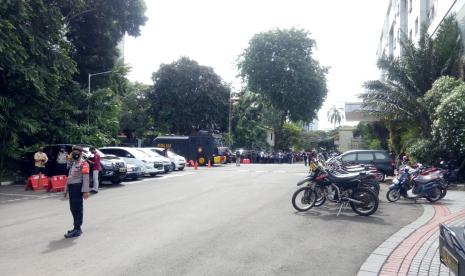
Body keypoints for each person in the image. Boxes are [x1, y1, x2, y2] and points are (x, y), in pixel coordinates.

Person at [64, 146, 90, 238]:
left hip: (77, 188)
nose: (75, 153)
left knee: (77, 209)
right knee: (73, 208)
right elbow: (69, 176)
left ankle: (77, 229)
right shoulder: (73, 163)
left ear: (81, 153)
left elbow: (86, 178)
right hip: (71, 188)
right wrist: (66, 189)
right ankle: (76, 227)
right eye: (73, 152)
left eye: (77, 152)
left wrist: (86, 191)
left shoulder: (84, 163)